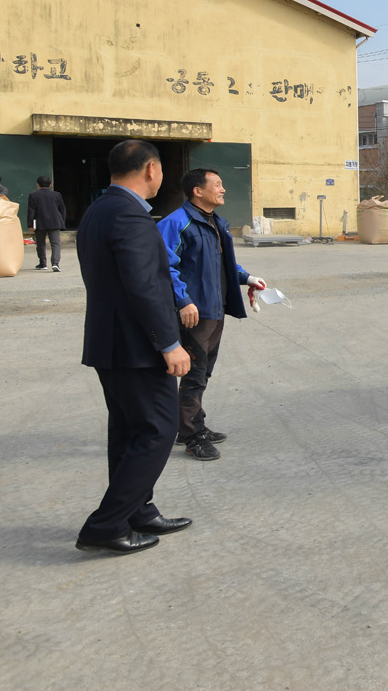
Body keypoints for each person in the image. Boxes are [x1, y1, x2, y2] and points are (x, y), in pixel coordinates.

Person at [74, 139, 194, 555]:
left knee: (128, 432)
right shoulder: (129, 215)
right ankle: (106, 525)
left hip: (110, 342)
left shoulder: (99, 210)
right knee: (159, 430)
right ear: (150, 170)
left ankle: (138, 510)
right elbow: (144, 287)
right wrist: (169, 343)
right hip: (136, 347)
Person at [157, 168, 264, 461]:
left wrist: (247, 278)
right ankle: (193, 436)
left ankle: (190, 425)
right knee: (193, 374)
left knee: (202, 372)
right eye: (217, 184)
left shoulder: (216, 222)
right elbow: (163, 266)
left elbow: (222, 263)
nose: (223, 189)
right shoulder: (176, 223)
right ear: (198, 191)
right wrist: (183, 300)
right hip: (194, 313)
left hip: (215, 310)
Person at [27, 176, 67, 272]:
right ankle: (55, 263)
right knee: (55, 243)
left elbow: (31, 211)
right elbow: (62, 209)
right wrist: (62, 222)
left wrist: (30, 224)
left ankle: (42, 263)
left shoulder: (33, 195)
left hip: (40, 223)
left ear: (38, 185)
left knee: (40, 243)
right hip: (55, 222)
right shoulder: (57, 195)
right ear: (50, 185)